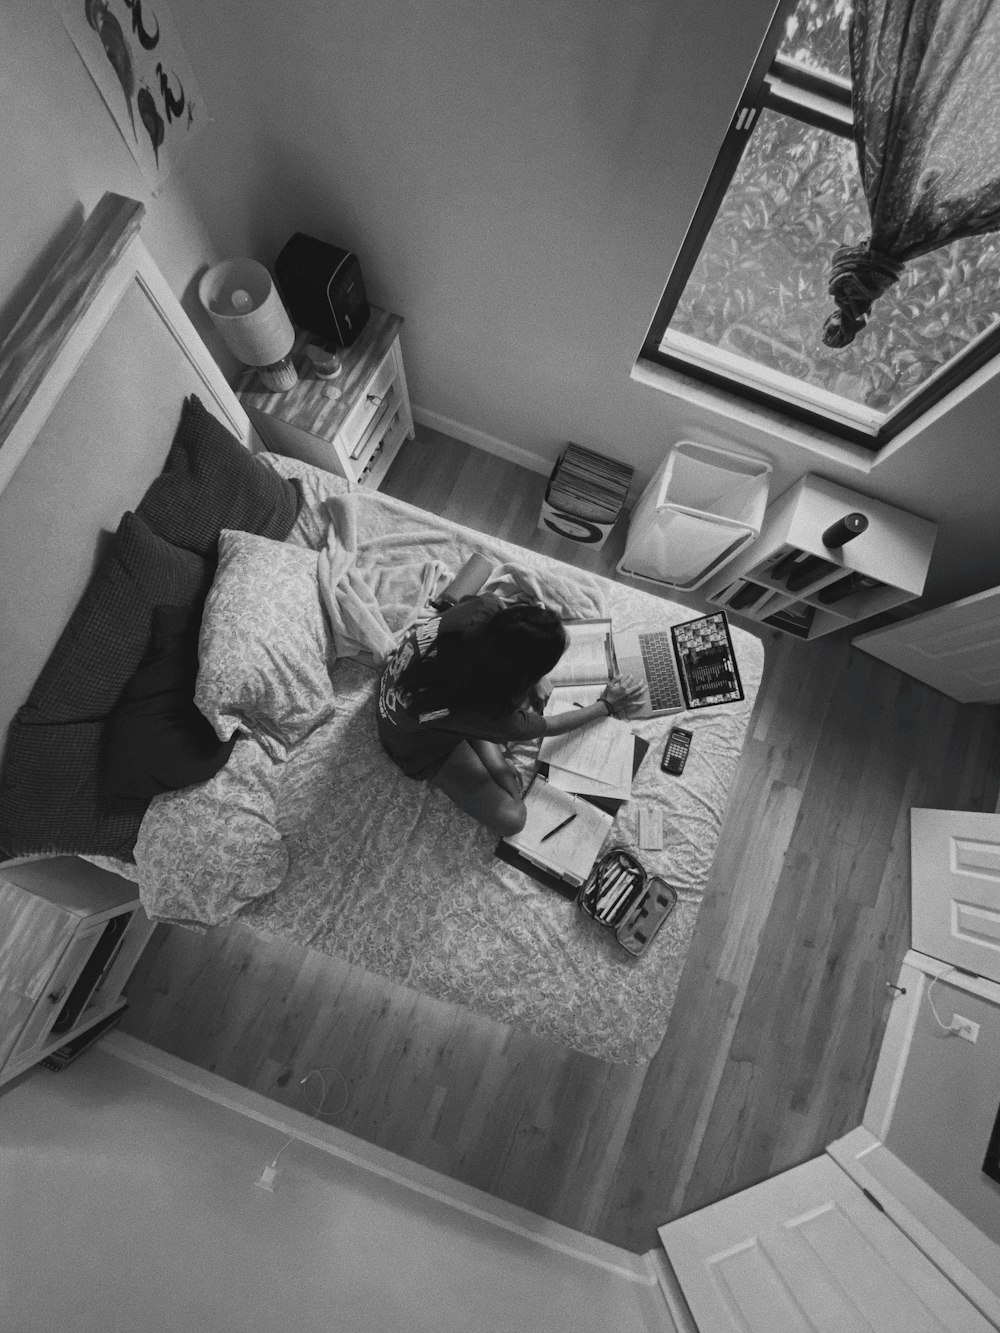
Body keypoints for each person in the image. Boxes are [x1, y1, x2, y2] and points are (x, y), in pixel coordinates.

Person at [376, 592, 646, 836]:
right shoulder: (492, 711)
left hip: (406, 691)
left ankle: (486, 745)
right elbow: (548, 726)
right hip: (413, 743)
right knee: (513, 818)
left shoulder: (484, 608)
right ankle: (487, 747)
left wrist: (534, 677)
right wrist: (606, 705)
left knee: (497, 763)